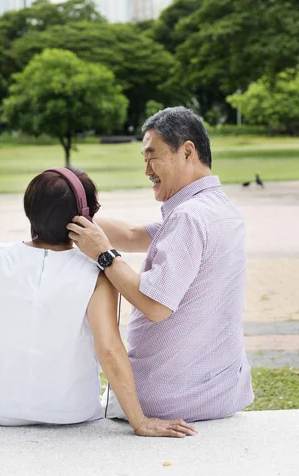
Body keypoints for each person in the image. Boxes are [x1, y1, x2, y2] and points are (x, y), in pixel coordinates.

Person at [0, 166, 196, 438]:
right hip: (71, 413)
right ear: (86, 218)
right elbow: (109, 351)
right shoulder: (97, 273)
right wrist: (141, 422)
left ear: (29, 209)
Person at [68, 107, 254, 421]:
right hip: (217, 394)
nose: (147, 171)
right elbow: (130, 235)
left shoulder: (189, 218)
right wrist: (73, 216)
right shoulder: (220, 210)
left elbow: (155, 306)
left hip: (169, 402)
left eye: (152, 156)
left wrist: (104, 255)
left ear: (187, 151)